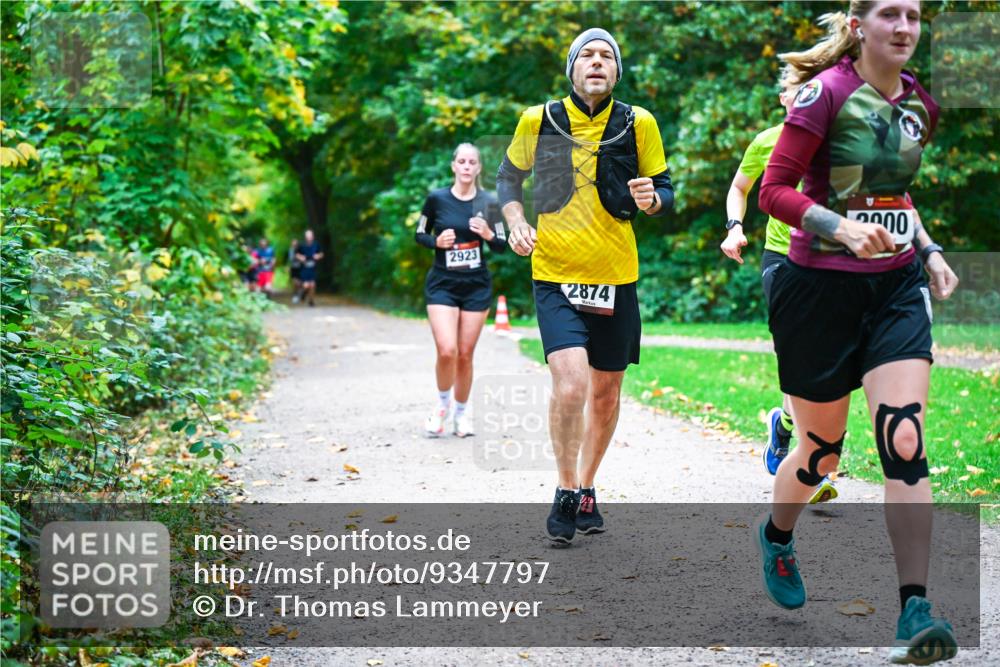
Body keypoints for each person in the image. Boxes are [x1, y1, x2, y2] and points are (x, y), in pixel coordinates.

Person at [755, 2, 960, 663]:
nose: (904, 27)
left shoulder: (918, 104)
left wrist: (926, 250)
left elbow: (894, 192)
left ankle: (916, 607)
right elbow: (773, 190)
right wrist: (837, 226)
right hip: (817, 291)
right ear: (859, 22)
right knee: (820, 454)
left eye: (915, 16)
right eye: (890, 14)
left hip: (894, 287)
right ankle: (778, 535)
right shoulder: (826, 94)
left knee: (904, 435)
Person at [497, 28, 673, 545]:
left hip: (616, 276)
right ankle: (566, 488)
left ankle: (589, 484)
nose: (597, 62)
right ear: (572, 68)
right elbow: (509, 181)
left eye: (606, 57)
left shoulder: (638, 124)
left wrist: (652, 200)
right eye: (587, 56)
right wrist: (513, 221)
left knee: (606, 391)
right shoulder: (540, 120)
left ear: (616, 72)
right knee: (571, 384)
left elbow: (664, 190)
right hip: (555, 273)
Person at [721, 85, 838, 505]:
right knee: (802, 354)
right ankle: (816, 469)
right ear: (783, 99)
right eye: (794, 89)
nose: (804, 96)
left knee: (829, 362)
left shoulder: (840, 138)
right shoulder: (766, 141)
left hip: (831, 262)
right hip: (782, 259)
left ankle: (785, 426)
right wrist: (734, 227)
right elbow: (739, 187)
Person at [416, 143, 506, 438]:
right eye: (462, 161)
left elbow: (502, 244)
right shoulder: (436, 199)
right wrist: (436, 242)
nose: (467, 166)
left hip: (476, 286)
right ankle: (442, 406)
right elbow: (420, 232)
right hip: (442, 283)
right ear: (453, 166)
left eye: (472, 162)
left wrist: (489, 234)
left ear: (478, 168)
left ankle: (462, 413)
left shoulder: (489, 202)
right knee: (447, 350)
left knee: (465, 354)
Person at [295, 229, 323, 307]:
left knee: (313, 285)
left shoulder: (316, 245)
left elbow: (321, 254)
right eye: (308, 236)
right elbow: (296, 254)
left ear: (313, 236)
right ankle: (303, 294)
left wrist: (318, 256)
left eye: (310, 235)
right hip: (304, 268)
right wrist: (301, 257)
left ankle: (311, 301)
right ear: (305, 237)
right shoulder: (301, 245)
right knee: (306, 285)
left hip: (313, 268)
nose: (309, 237)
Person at [288, 238, 303, 303]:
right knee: (294, 283)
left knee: (300, 283)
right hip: (293, 268)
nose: (294, 244)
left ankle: (299, 295)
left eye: (295, 243)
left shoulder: (300, 250)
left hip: (300, 268)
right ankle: (295, 295)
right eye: (293, 243)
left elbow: (303, 258)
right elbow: (290, 259)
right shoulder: (290, 250)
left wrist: (299, 257)